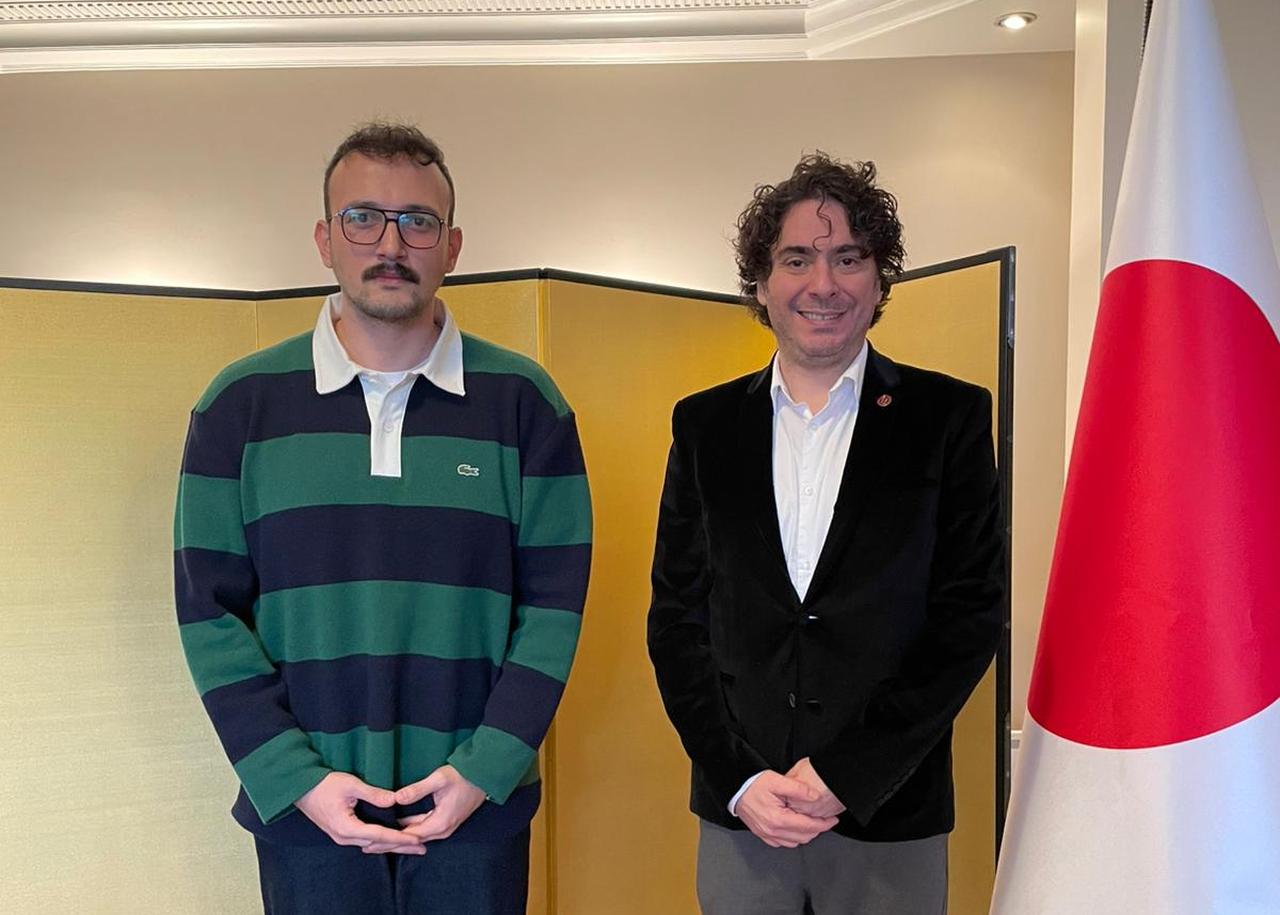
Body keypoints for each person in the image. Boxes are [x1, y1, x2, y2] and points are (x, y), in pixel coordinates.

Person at [174, 122, 591, 914]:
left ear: (452, 246)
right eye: (363, 217)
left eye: (418, 221)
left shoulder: (525, 403)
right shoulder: (239, 405)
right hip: (307, 819)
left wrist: (483, 770)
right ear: (325, 239)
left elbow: (554, 607)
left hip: (477, 813)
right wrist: (297, 780)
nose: (390, 243)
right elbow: (209, 612)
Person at [647, 153, 1004, 914]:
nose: (824, 283)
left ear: (879, 280)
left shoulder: (949, 418)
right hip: (744, 813)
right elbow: (676, 620)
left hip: (889, 812)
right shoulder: (706, 425)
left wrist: (848, 773)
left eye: (849, 257)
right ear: (761, 282)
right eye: (796, 259)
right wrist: (738, 777)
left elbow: (969, 616)